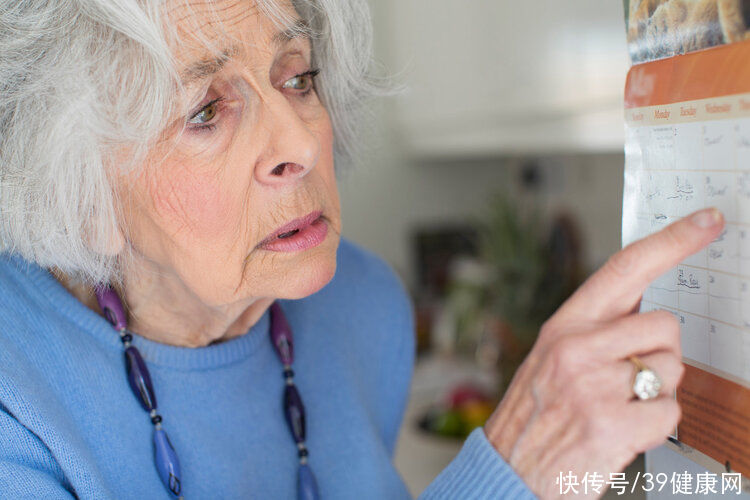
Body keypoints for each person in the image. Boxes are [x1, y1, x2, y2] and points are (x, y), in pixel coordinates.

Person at [0, 0, 725, 498]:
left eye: (298, 77)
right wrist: (510, 473)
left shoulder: (363, 306)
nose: (298, 144)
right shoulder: (16, 412)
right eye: (206, 112)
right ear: (84, 197)